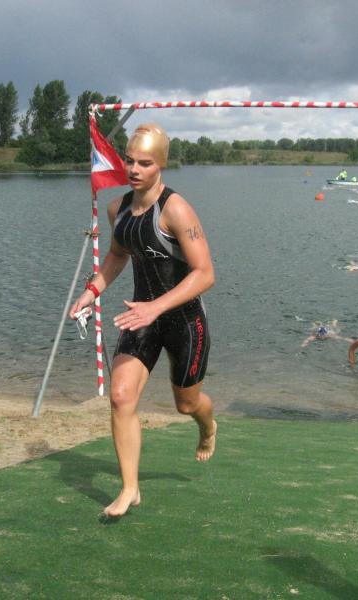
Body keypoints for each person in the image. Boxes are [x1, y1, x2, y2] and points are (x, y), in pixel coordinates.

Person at [68, 123, 217, 517]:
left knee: (186, 404)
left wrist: (157, 306)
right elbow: (117, 256)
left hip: (185, 321)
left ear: (161, 164)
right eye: (130, 160)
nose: (134, 169)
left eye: (145, 163)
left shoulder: (176, 209)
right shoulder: (117, 209)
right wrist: (90, 291)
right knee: (120, 397)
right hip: (141, 317)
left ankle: (207, 426)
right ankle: (129, 488)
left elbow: (205, 274)